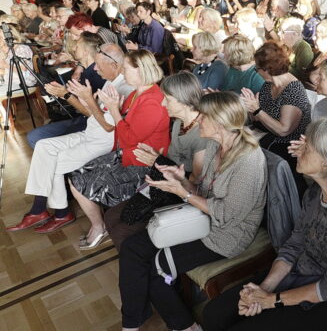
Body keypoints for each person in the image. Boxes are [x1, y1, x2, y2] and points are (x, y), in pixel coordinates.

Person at [203, 118, 327, 331]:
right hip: (302, 273)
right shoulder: (315, 192)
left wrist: (271, 300)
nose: (298, 150)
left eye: (307, 147)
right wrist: (263, 289)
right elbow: (294, 246)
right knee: (214, 314)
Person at [118, 91, 267, 331]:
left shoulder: (249, 160)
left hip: (226, 235)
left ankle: (186, 327)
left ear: (219, 123)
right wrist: (182, 180)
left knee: (158, 268)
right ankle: (131, 323)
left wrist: (183, 192)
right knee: (132, 248)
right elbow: (203, 189)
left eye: (203, 117)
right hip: (201, 219)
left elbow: (226, 215)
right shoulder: (214, 145)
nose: (198, 121)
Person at [6, 42, 134, 234]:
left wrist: (78, 97)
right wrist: (79, 96)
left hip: (104, 140)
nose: (96, 68)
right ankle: (38, 210)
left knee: (58, 161)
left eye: (99, 64)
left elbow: (107, 126)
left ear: (114, 65)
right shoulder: (111, 80)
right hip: (90, 132)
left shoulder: (123, 87)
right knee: (43, 146)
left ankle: (62, 213)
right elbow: (96, 115)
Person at [68, 50, 170, 250]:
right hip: (126, 154)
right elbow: (121, 126)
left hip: (143, 166)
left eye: (126, 69)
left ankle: (100, 227)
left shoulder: (152, 100)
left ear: (140, 70)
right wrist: (110, 106)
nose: (122, 73)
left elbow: (130, 138)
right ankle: (99, 225)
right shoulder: (136, 93)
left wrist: (114, 110)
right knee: (76, 175)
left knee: (79, 180)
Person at [103, 72, 209, 249]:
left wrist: (158, 160)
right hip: (165, 182)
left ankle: (148, 264)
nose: (162, 103)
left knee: (123, 230)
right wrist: (156, 157)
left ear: (182, 100)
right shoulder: (178, 123)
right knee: (111, 216)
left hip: (182, 194)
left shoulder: (202, 133)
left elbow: (196, 184)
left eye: (167, 99)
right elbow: (170, 161)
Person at [241, 41, 311, 179]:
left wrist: (257, 110)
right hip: (266, 136)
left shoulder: (293, 90)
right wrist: (251, 107)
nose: (256, 71)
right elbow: (259, 118)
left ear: (267, 70)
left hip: (287, 147)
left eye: (257, 68)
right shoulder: (268, 85)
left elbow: (283, 130)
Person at [278, 16, 313, 83]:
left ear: (294, 34)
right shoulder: (285, 45)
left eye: (282, 31)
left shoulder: (304, 49)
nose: (279, 33)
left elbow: (301, 76)